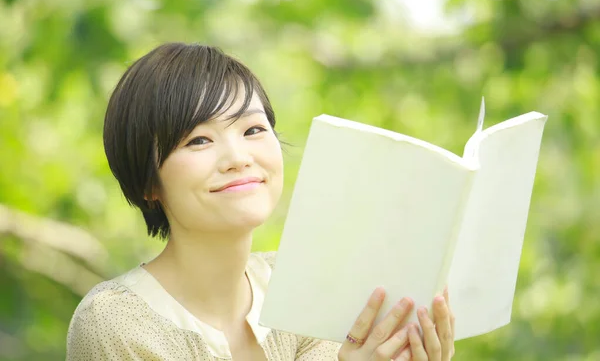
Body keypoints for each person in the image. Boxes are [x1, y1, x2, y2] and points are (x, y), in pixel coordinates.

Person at [66, 42, 456, 361]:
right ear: (148, 180)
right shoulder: (115, 324)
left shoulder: (305, 286)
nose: (238, 158)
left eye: (253, 129)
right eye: (198, 140)